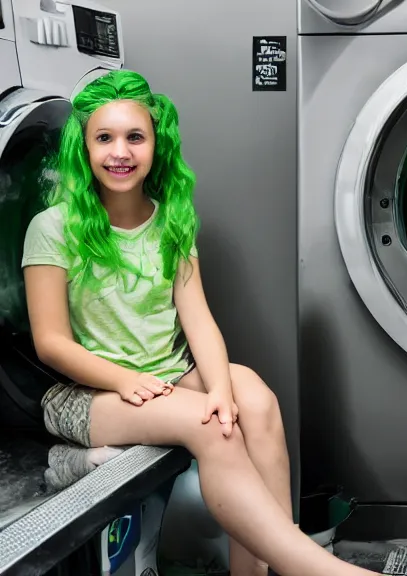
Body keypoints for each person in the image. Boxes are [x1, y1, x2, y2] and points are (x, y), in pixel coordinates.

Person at [21, 69, 379, 576]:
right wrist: (127, 380)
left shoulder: (171, 221)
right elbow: (51, 343)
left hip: (166, 377)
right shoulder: (53, 227)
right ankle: (312, 569)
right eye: (104, 138)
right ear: (83, 147)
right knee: (213, 430)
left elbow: (200, 322)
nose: (119, 151)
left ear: (156, 144)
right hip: (86, 394)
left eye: (134, 137)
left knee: (253, 400)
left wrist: (220, 392)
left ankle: (258, 570)